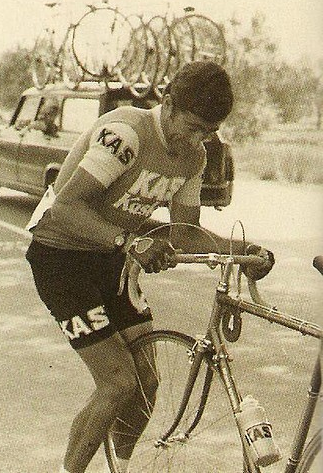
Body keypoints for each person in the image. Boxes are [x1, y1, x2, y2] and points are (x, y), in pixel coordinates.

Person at [24, 61, 274, 473]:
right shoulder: (125, 133)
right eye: (192, 127)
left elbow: (186, 233)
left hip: (111, 258)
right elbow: (66, 208)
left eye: (208, 132)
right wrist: (131, 241)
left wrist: (244, 251)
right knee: (117, 383)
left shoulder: (194, 157)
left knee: (146, 385)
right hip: (61, 257)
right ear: (169, 104)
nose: (195, 140)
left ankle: (117, 468)